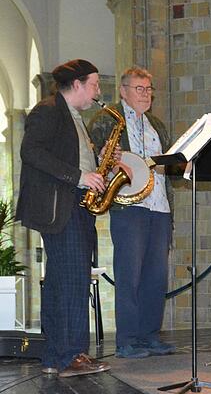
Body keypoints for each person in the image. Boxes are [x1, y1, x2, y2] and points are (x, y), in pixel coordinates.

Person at [16, 59, 111, 377]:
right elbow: (31, 152)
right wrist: (79, 176)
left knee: (65, 282)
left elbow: (71, 157)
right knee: (70, 281)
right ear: (79, 84)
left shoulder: (74, 118)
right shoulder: (48, 110)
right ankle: (70, 355)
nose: (99, 91)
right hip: (61, 207)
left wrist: (101, 166)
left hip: (76, 207)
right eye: (96, 84)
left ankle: (58, 356)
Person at [87, 66, 175, 359]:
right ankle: (127, 340)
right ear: (123, 90)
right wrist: (106, 160)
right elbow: (92, 157)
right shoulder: (107, 120)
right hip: (128, 206)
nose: (146, 95)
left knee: (156, 276)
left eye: (149, 89)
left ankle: (150, 335)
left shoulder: (156, 124)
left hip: (159, 206)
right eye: (139, 89)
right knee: (130, 275)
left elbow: (168, 164)